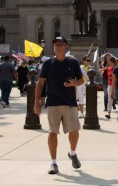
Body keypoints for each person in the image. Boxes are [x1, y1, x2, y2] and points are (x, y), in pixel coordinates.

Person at [34, 35, 85, 174]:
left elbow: (81, 80)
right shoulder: (48, 63)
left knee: (74, 131)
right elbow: (40, 83)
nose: (58, 47)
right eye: (56, 45)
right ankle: (53, 163)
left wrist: (74, 83)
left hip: (70, 103)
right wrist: (36, 103)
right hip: (53, 102)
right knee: (52, 133)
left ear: (66, 47)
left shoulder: (73, 62)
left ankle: (73, 153)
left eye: (61, 44)